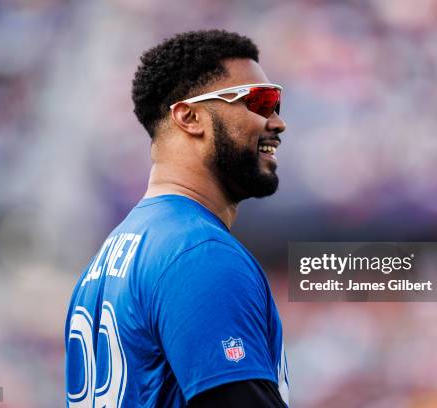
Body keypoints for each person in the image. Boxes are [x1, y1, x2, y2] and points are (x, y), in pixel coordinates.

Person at [65, 29, 289, 407]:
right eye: (259, 102)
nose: (278, 122)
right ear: (190, 117)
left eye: (276, 104)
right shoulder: (198, 254)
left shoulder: (107, 259)